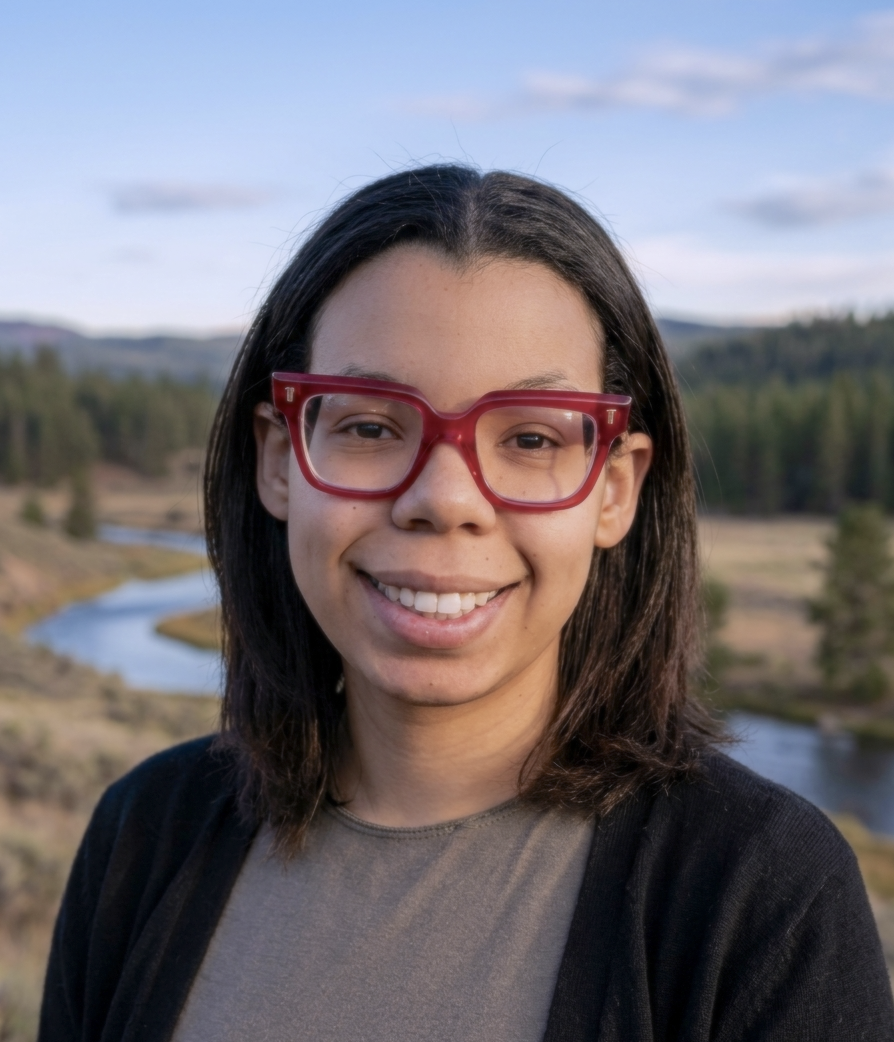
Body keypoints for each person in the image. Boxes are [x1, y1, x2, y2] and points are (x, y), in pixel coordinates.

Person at [39, 166, 894, 1042]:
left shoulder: (759, 894)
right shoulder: (146, 834)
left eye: (530, 437)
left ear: (615, 490)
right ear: (279, 460)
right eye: (371, 425)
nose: (446, 499)